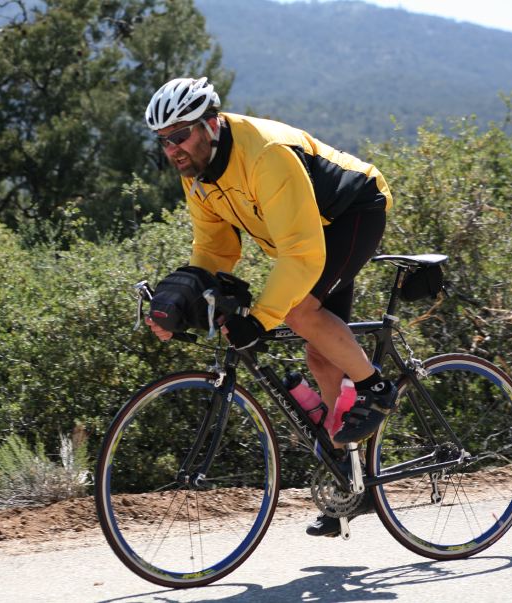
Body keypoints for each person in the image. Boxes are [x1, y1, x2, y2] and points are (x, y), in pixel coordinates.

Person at [143, 76, 397, 537]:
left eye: (180, 135)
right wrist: (177, 297)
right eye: (163, 140)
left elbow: (300, 254)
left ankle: (376, 388)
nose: (172, 148)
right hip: (310, 232)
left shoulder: (265, 155)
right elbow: (215, 251)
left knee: (299, 313)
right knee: (319, 351)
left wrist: (260, 319)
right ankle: (356, 485)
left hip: (354, 211)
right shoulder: (197, 175)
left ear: (211, 124)